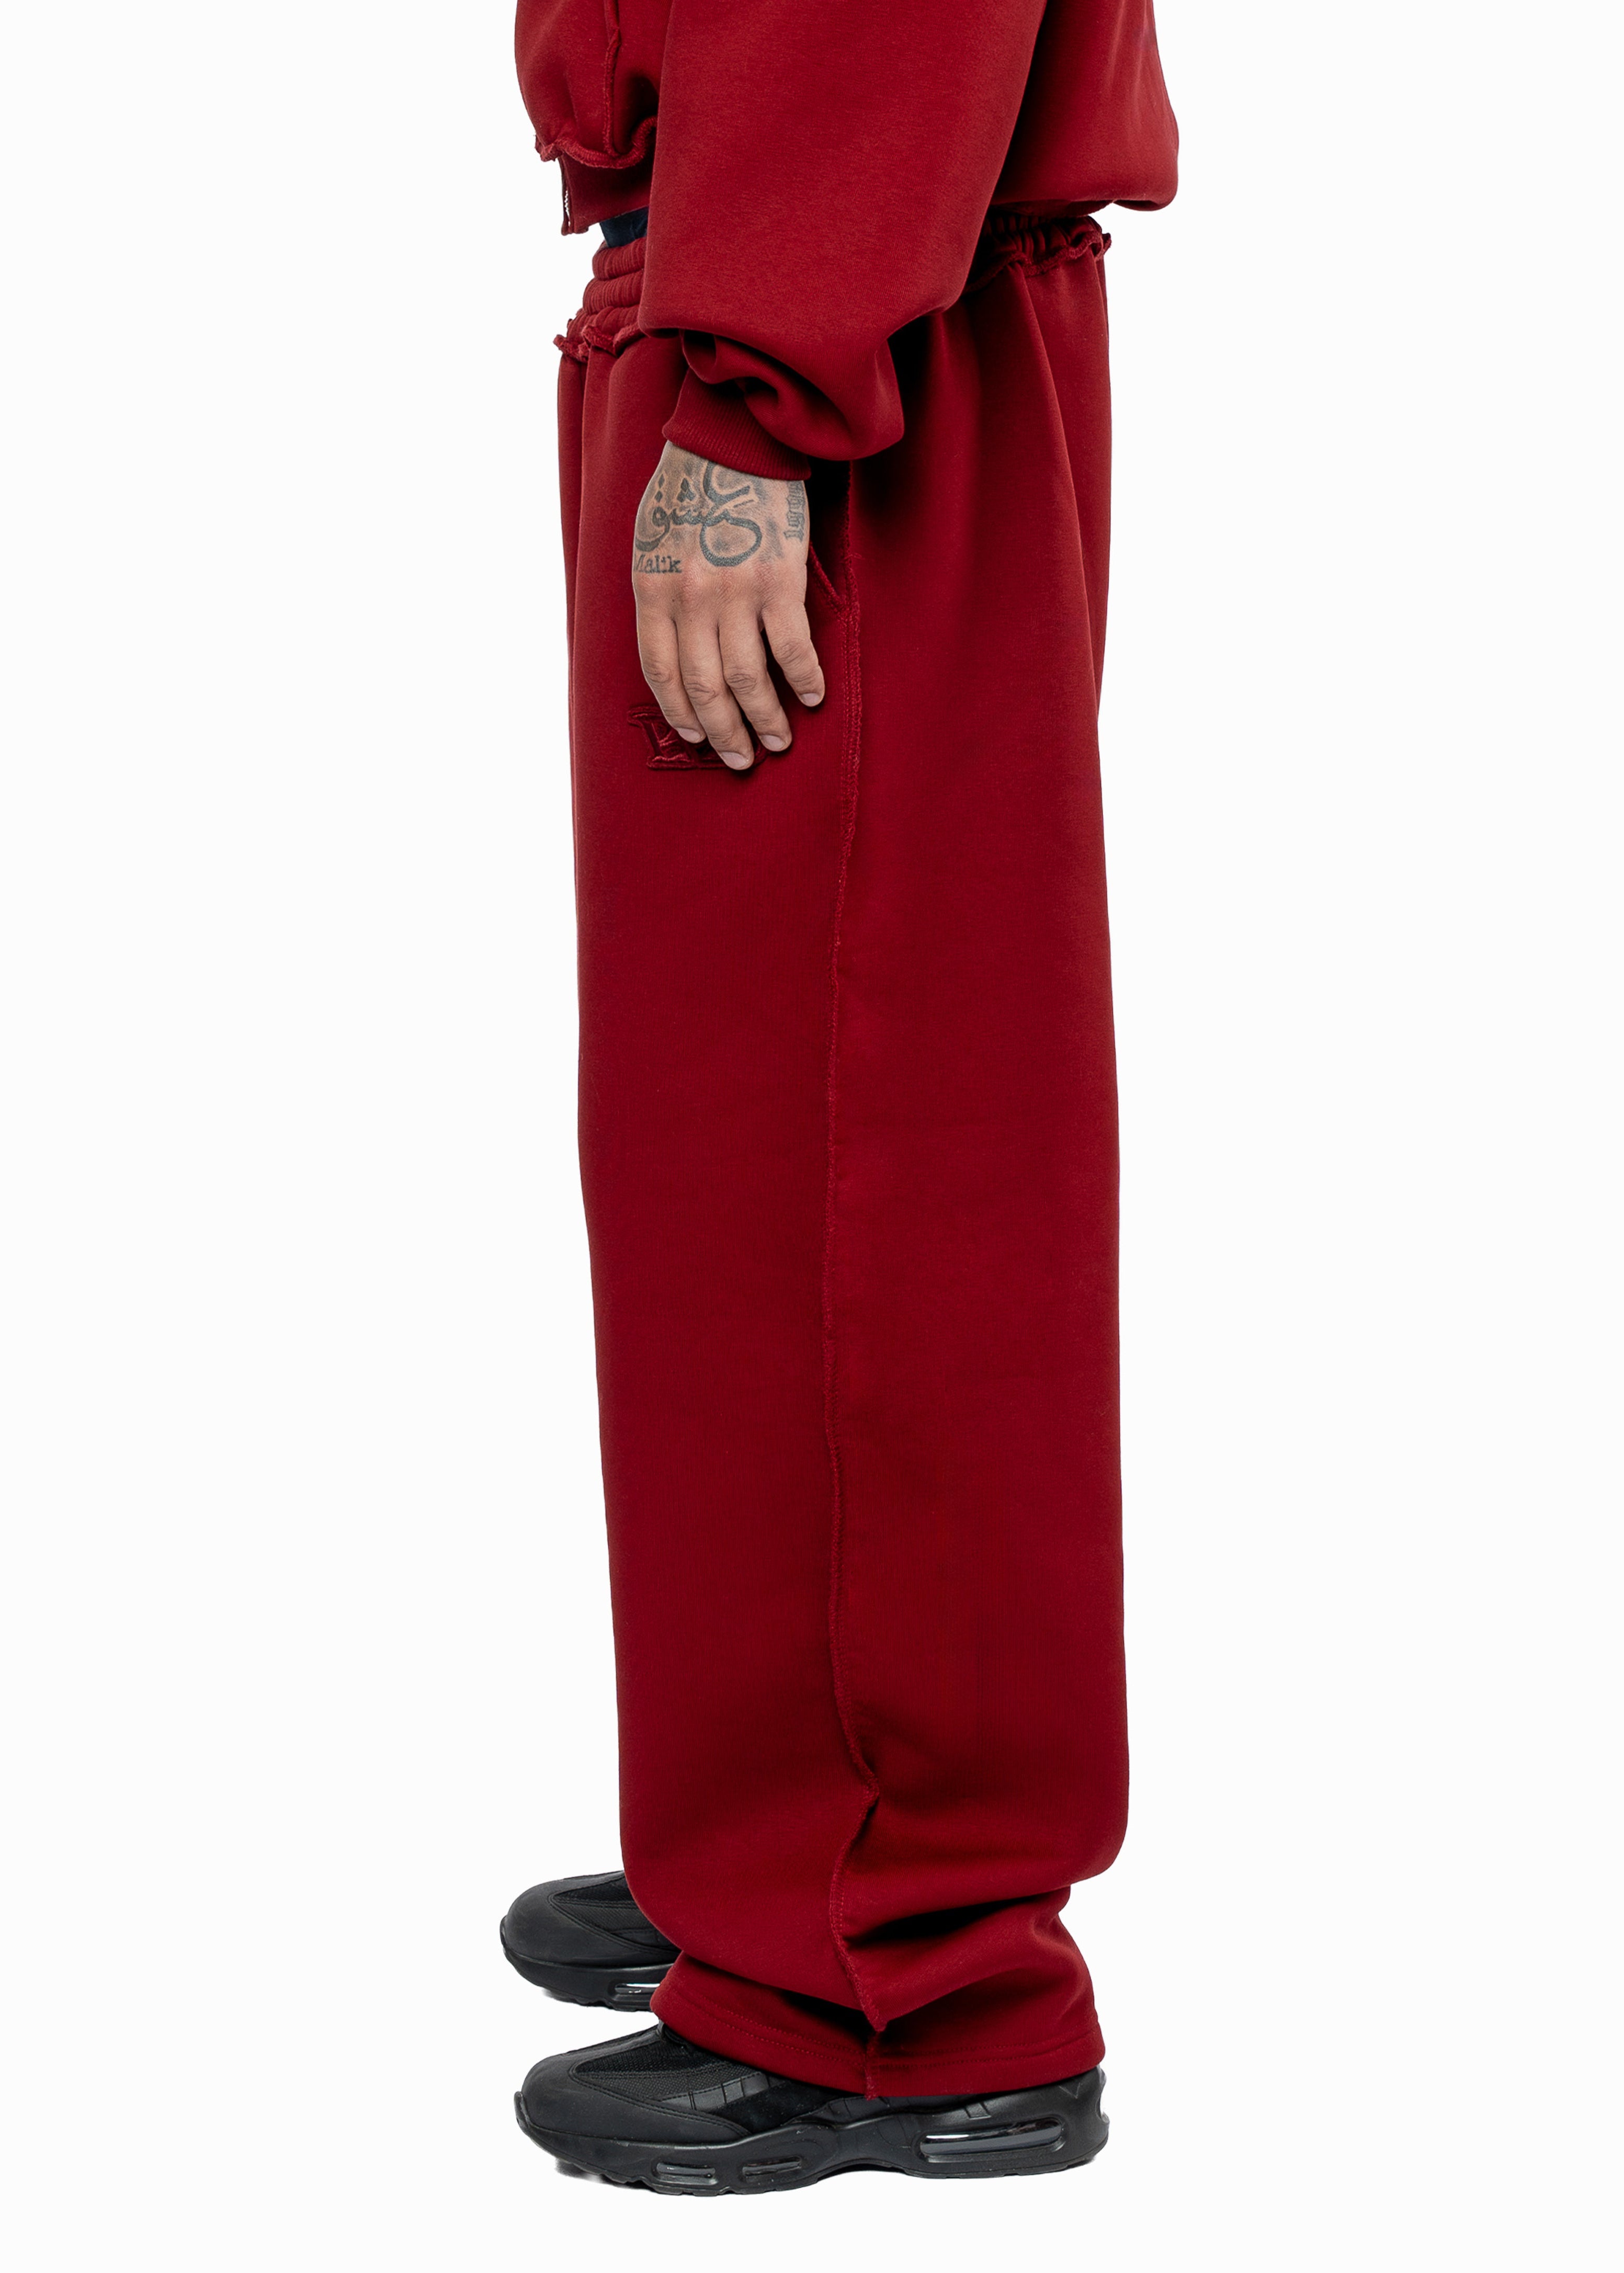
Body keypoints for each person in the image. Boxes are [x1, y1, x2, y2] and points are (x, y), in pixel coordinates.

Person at [502, 0, 1177, 2195]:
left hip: (840, 328)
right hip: (812, 276)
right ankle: (789, 1836)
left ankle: (905, 1967)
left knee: (855, 1170)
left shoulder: (790, 352)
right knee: (741, 1162)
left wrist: (757, 378)